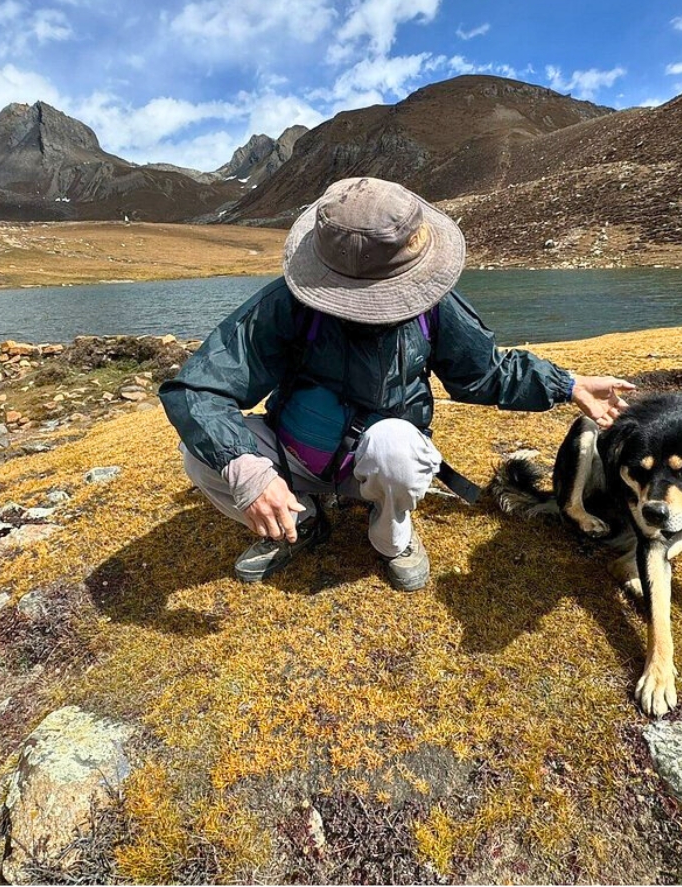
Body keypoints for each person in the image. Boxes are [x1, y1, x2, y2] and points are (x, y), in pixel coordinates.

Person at [160, 177, 634, 592]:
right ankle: (301, 521)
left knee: (397, 447)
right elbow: (198, 390)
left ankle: (391, 537)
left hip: (381, 465)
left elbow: (484, 371)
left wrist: (566, 384)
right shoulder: (284, 305)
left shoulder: (435, 305)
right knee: (203, 454)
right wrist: (250, 471)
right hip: (294, 454)